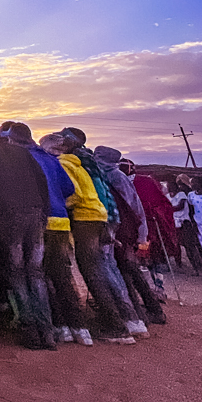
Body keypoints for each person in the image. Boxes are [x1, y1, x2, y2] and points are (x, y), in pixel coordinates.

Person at [41, 134, 135, 344]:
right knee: (97, 268)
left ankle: (116, 327)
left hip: (84, 217)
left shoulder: (64, 164)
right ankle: (124, 320)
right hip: (98, 214)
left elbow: (72, 193)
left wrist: (61, 205)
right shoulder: (80, 163)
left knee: (90, 270)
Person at [0, 118, 54, 350]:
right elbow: (42, 182)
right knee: (36, 272)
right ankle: (47, 332)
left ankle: (30, 332)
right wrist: (44, 211)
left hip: (10, 216)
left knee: (17, 271)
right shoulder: (21, 152)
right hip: (36, 213)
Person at [6, 123, 84, 344]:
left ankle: (51, 326)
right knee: (59, 275)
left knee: (36, 273)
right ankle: (74, 326)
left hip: (39, 219)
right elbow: (69, 189)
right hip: (61, 220)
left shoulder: (21, 159)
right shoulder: (52, 160)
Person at [93, 146, 165, 326]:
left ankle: (141, 313)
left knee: (126, 269)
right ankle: (144, 312)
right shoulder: (106, 175)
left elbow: (135, 206)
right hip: (120, 228)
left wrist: (141, 235)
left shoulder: (117, 177)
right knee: (125, 269)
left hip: (124, 230)